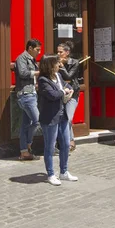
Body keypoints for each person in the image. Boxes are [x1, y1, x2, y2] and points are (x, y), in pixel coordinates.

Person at [37, 54, 78, 186]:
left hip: (62, 115)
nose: (59, 65)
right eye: (56, 63)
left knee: (66, 144)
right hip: (50, 117)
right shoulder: (43, 80)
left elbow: (67, 85)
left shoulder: (58, 76)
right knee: (50, 146)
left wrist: (69, 89)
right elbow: (53, 95)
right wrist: (64, 91)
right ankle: (50, 174)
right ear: (49, 65)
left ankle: (64, 172)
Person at [14, 39, 41, 161]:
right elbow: (23, 73)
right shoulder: (22, 58)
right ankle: (29, 143)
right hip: (26, 95)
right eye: (37, 49)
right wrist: (38, 73)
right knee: (37, 121)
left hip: (32, 93)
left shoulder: (32, 59)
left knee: (25, 124)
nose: (39, 52)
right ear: (30, 48)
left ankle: (24, 151)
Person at [57, 41, 80, 152]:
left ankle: (70, 141)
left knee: (68, 118)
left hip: (72, 93)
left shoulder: (74, 62)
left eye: (60, 52)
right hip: (60, 93)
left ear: (67, 52)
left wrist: (61, 67)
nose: (58, 54)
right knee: (62, 118)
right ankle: (68, 141)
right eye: (57, 52)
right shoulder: (55, 61)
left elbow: (69, 77)